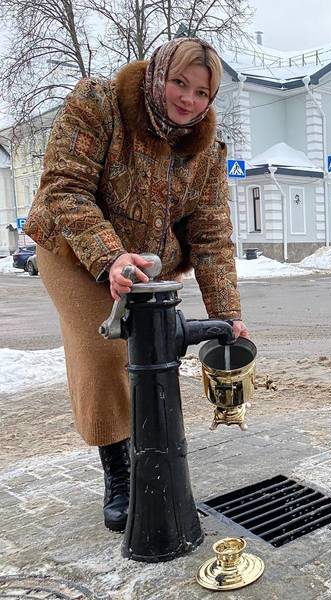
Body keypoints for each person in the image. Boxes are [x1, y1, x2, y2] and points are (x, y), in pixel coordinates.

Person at [24, 37, 248, 532]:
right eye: (179, 83)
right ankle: (119, 472)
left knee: (152, 353)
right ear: (157, 74)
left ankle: (152, 452)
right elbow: (64, 185)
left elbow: (211, 237)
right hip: (72, 247)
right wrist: (109, 257)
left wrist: (228, 314)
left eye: (202, 93)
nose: (188, 100)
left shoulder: (208, 152)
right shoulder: (99, 103)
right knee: (103, 348)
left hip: (147, 262)